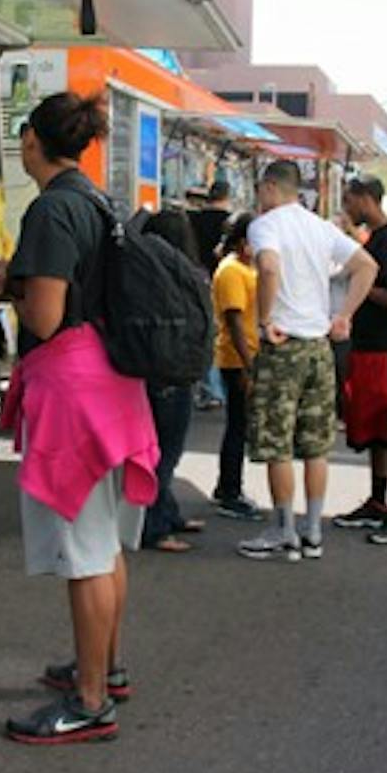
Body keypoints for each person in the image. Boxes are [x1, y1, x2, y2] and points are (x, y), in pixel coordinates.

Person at [0, 92, 158, 745]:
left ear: (32, 140)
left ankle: (88, 703)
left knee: (84, 551)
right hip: (115, 387)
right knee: (105, 543)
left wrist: (9, 289)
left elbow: (46, 318)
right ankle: (104, 669)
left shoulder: (51, 211)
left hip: (73, 394)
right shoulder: (97, 200)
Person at [237, 161, 378, 563]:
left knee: (277, 443)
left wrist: (265, 320)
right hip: (320, 347)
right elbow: (366, 266)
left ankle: (283, 530)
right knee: (316, 445)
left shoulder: (265, 225)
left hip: (283, 346)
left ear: (268, 187)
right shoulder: (320, 226)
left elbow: (267, 266)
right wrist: (344, 315)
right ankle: (313, 531)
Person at [333, 176, 387, 544]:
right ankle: (377, 501)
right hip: (369, 346)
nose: (346, 208)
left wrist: (362, 289)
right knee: (375, 430)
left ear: (366, 199)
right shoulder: (374, 241)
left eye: (349, 200)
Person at [139, 208, 207, 552]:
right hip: (175, 373)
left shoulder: (145, 276)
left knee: (159, 451)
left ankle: (168, 512)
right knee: (165, 453)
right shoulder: (185, 276)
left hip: (152, 371)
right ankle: (154, 526)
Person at [210, 211, 264, 521]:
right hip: (237, 358)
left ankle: (229, 487)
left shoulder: (244, 268)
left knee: (240, 424)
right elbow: (233, 320)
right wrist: (248, 366)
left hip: (245, 356)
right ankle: (229, 489)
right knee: (237, 425)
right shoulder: (231, 271)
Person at [190, 179, 235, 410]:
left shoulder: (192, 219)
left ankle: (210, 388)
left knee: (206, 334)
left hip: (198, 281)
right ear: (227, 196)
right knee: (225, 334)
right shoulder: (230, 222)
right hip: (228, 284)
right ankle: (223, 387)